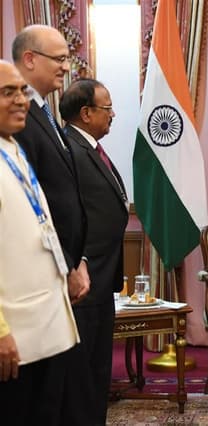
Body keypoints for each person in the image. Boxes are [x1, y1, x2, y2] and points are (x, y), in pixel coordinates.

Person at [12, 25, 93, 424]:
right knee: (37, 398)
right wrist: (65, 263)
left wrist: (78, 261)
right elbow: (31, 208)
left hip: (61, 271)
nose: (66, 66)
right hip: (34, 280)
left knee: (60, 391)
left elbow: (61, 196)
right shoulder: (20, 118)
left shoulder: (45, 112)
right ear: (30, 59)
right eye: (59, 59)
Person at [0, 59, 80, 425]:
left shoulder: (12, 147)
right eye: (8, 92)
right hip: (14, 338)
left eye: (22, 91)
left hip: (45, 327)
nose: (21, 100)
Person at [59, 79, 128, 425]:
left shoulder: (89, 147)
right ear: (86, 113)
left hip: (102, 275)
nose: (113, 114)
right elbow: (70, 213)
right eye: (107, 108)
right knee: (83, 371)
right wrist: (81, 262)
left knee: (98, 367)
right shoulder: (69, 150)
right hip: (84, 278)